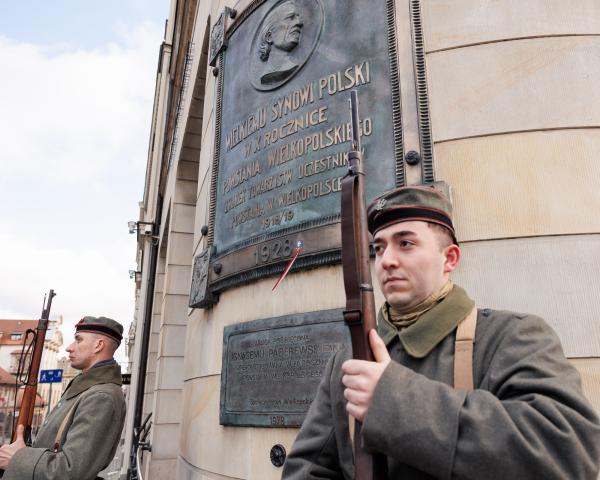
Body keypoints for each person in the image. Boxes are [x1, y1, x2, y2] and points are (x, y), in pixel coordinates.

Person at [282, 185, 600, 479]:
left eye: (405, 244)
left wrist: (395, 401)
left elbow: (569, 453)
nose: (386, 261)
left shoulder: (510, 337)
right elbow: (307, 469)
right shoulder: (350, 357)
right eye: (379, 248)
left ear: (449, 258)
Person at [0, 316, 126, 480]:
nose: (69, 348)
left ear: (99, 345)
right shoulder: (85, 388)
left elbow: (72, 470)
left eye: (78, 340)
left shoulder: (101, 397)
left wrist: (18, 459)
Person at [257, 0, 304, 85]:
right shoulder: (267, 73)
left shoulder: (294, 66)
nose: (299, 23)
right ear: (269, 37)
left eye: (297, 18)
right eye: (290, 18)